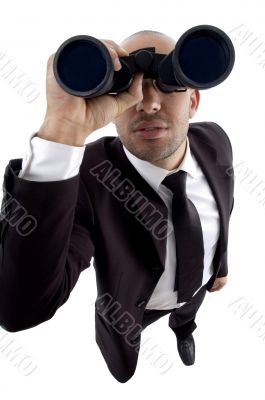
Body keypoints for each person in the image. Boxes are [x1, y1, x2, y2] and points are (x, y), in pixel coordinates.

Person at [0, 30, 234, 383]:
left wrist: (220, 266)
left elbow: (224, 206)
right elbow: (18, 309)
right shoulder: (85, 182)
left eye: (169, 84)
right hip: (134, 309)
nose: (148, 103)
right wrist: (62, 130)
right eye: (128, 88)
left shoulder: (215, 140)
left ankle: (184, 331)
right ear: (111, 108)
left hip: (197, 288)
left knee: (187, 313)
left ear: (193, 102)